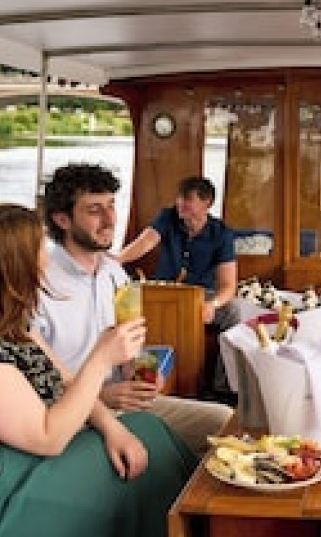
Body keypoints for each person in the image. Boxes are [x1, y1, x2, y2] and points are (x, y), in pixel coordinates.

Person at [0, 203, 197, 537]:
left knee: (143, 432)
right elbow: (47, 438)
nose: (46, 261)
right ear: (14, 267)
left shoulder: (10, 327)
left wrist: (112, 427)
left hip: (23, 467)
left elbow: (68, 383)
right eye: (40, 250)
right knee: (148, 446)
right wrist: (101, 359)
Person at [34, 163, 233, 455]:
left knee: (224, 423)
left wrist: (144, 375)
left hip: (126, 402)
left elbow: (133, 344)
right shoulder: (39, 284)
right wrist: (102, 396)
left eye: (111, 206)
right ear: (62, 220)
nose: (109, 219)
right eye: (94, 210)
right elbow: (34, 379)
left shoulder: (115, 273)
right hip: (73, 415)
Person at [117, 175, 240, 331]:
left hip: (199, 296)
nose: (180, 203)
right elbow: (145, 242)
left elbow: (228, 286)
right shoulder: (168, 216)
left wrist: (213, 304)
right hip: (163, 290)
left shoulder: (222, 234)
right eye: (179, 197)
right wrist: (117, 259)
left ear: (207, 203)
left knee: (232, 312)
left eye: (187, 199)